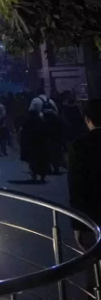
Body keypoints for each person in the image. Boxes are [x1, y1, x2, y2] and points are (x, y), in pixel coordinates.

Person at [68, 99, 101, 251]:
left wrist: (77, 224)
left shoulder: (80, 145)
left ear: (88, 119)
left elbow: (77, 187)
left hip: (93, 215)